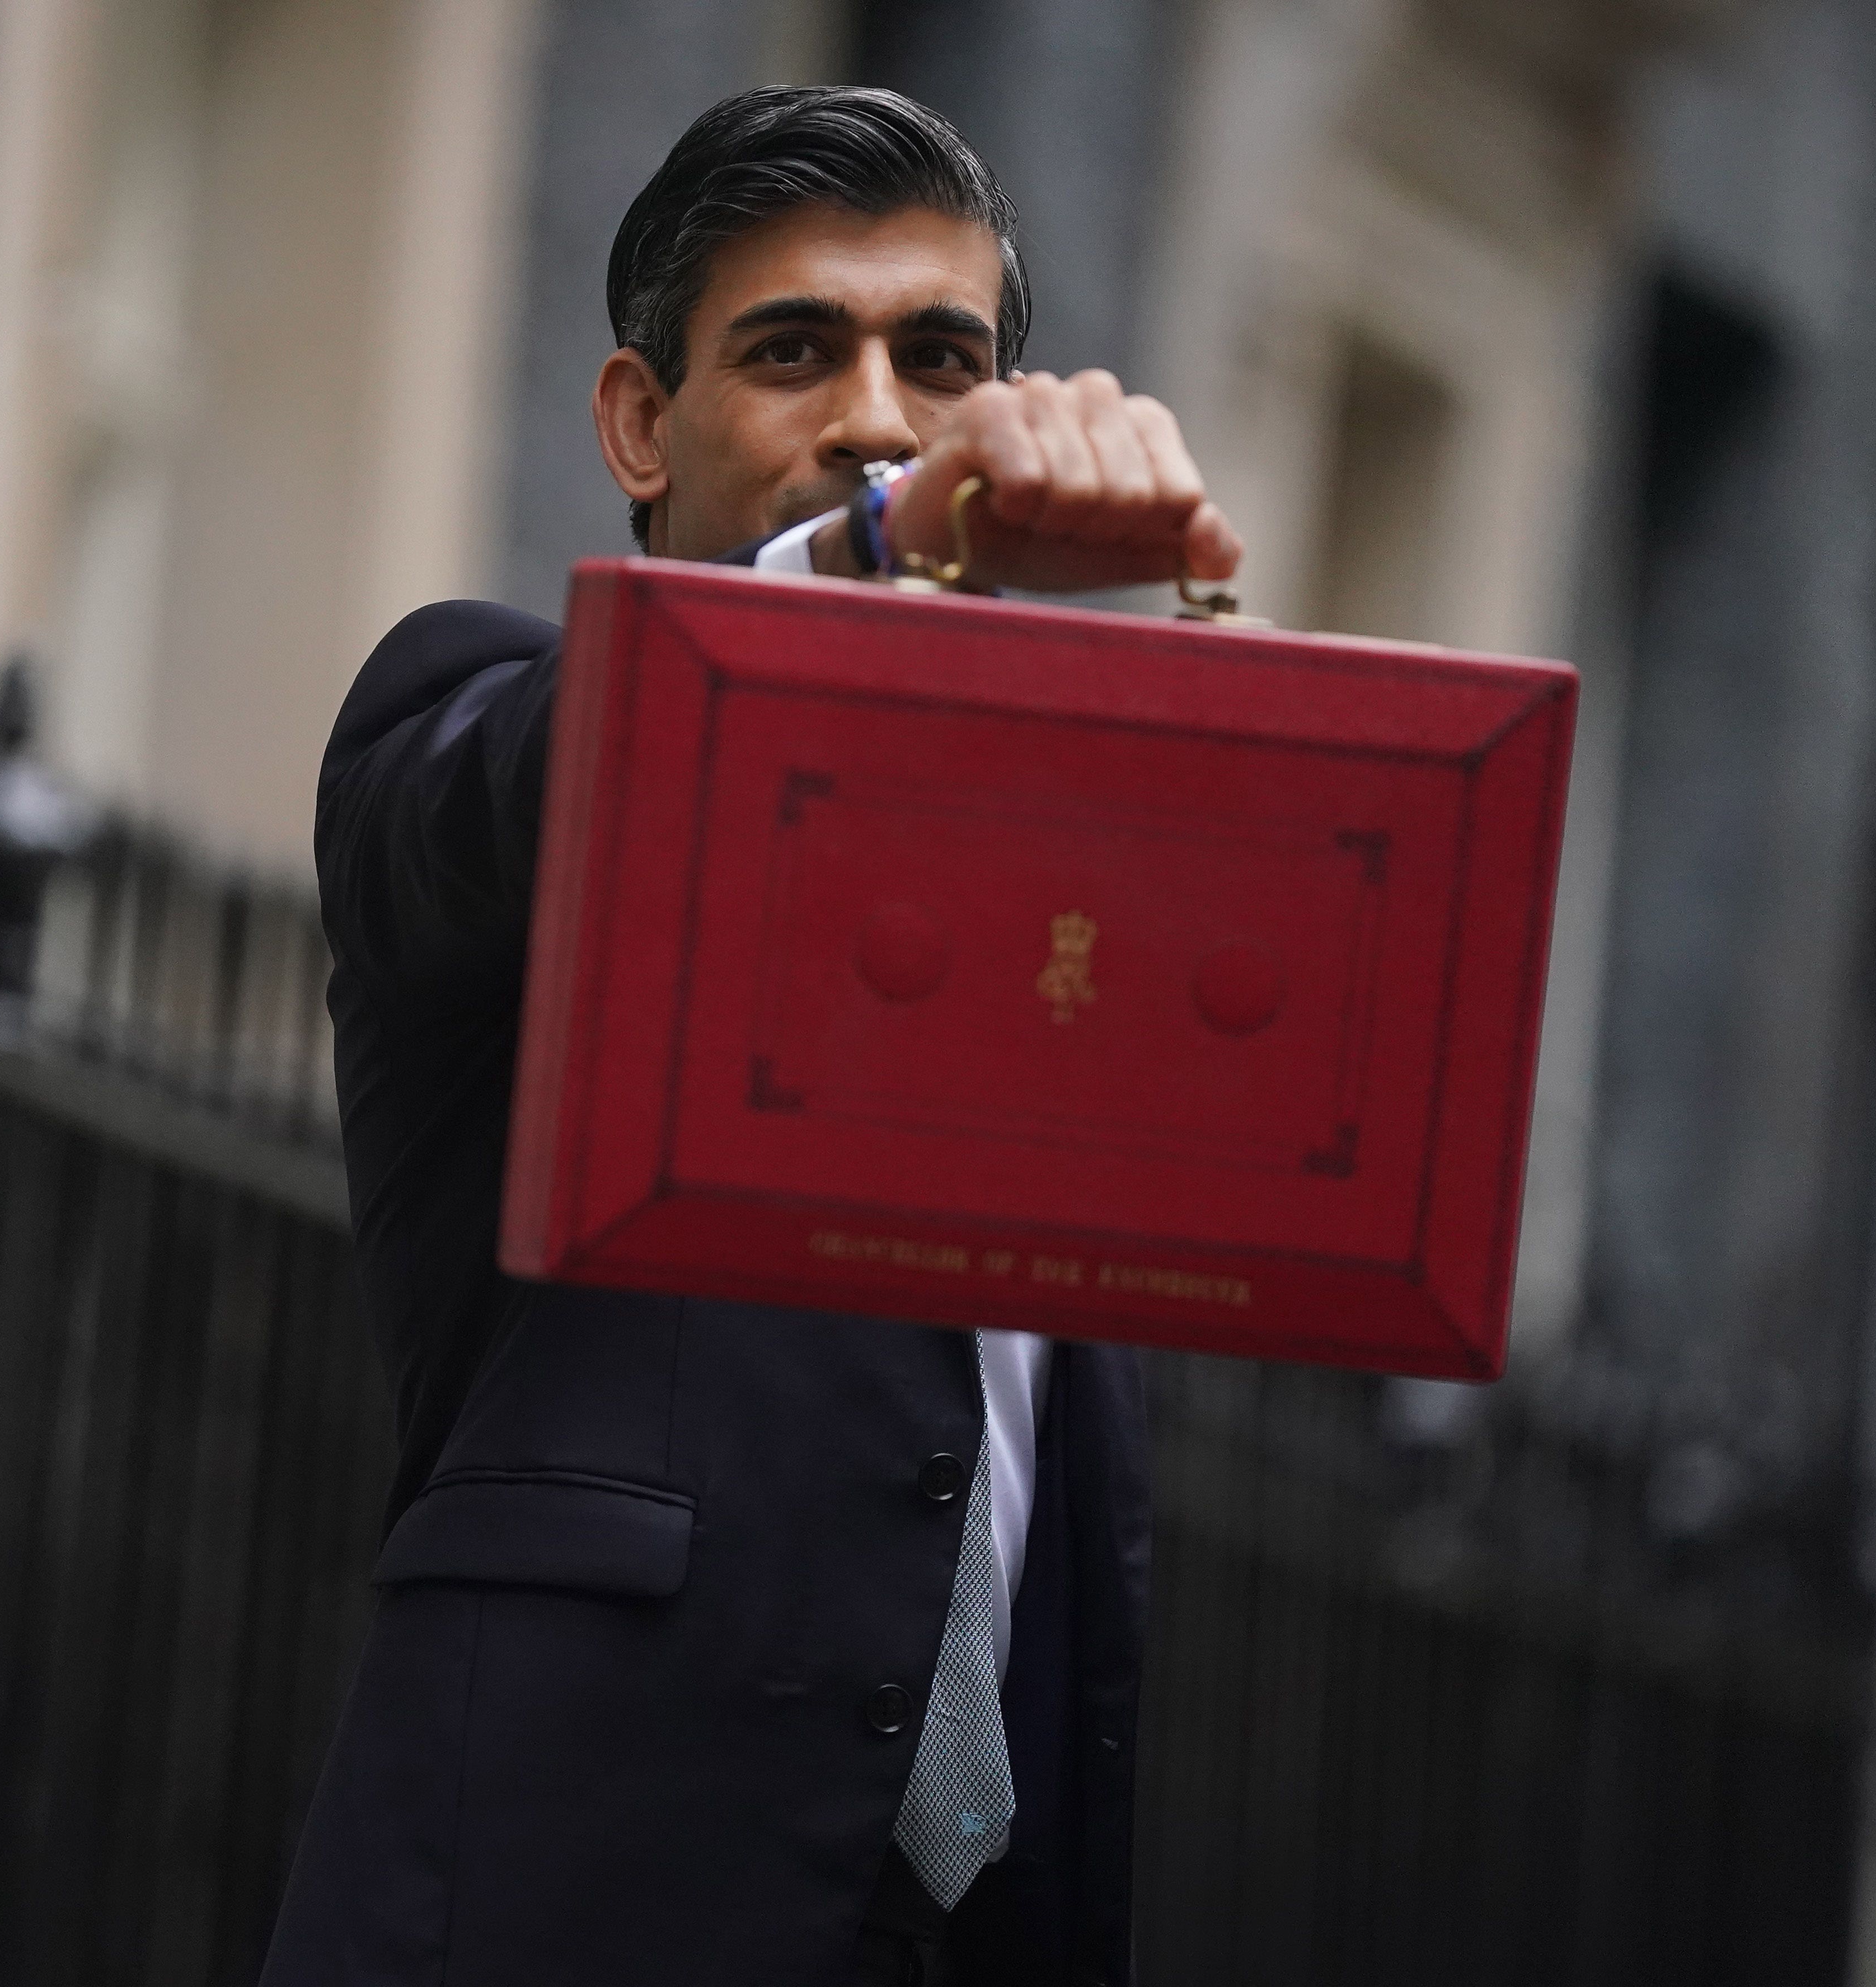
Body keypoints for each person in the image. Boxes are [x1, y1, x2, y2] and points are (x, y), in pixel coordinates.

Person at [261, 86, 1241, 1987]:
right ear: (641, 422)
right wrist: (871, 572)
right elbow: (517, 798)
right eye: (797, 351)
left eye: (940, 362)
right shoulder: (470, 713)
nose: (879, 419)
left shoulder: (1063, 926)